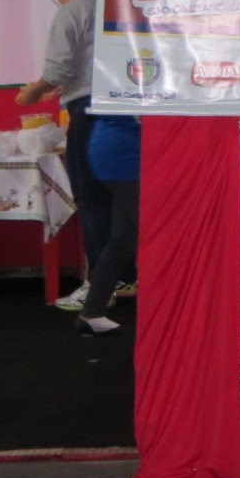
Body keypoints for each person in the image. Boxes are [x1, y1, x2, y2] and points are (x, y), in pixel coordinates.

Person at [16, 0, 126, 312]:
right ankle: (124, 277)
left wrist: (34, 92)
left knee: (90, 199)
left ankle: (99, 286)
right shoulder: (113, 8)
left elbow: (58, 68)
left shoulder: (72, 11)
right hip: (123, 111)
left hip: (88, 113)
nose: (59, 1)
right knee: (121, 199)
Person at [75, 114, 141, 336]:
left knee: (123, 240)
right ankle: (171, 320)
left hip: (115, 150)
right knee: (157, 238)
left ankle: (91, 313)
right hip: (127, 155)